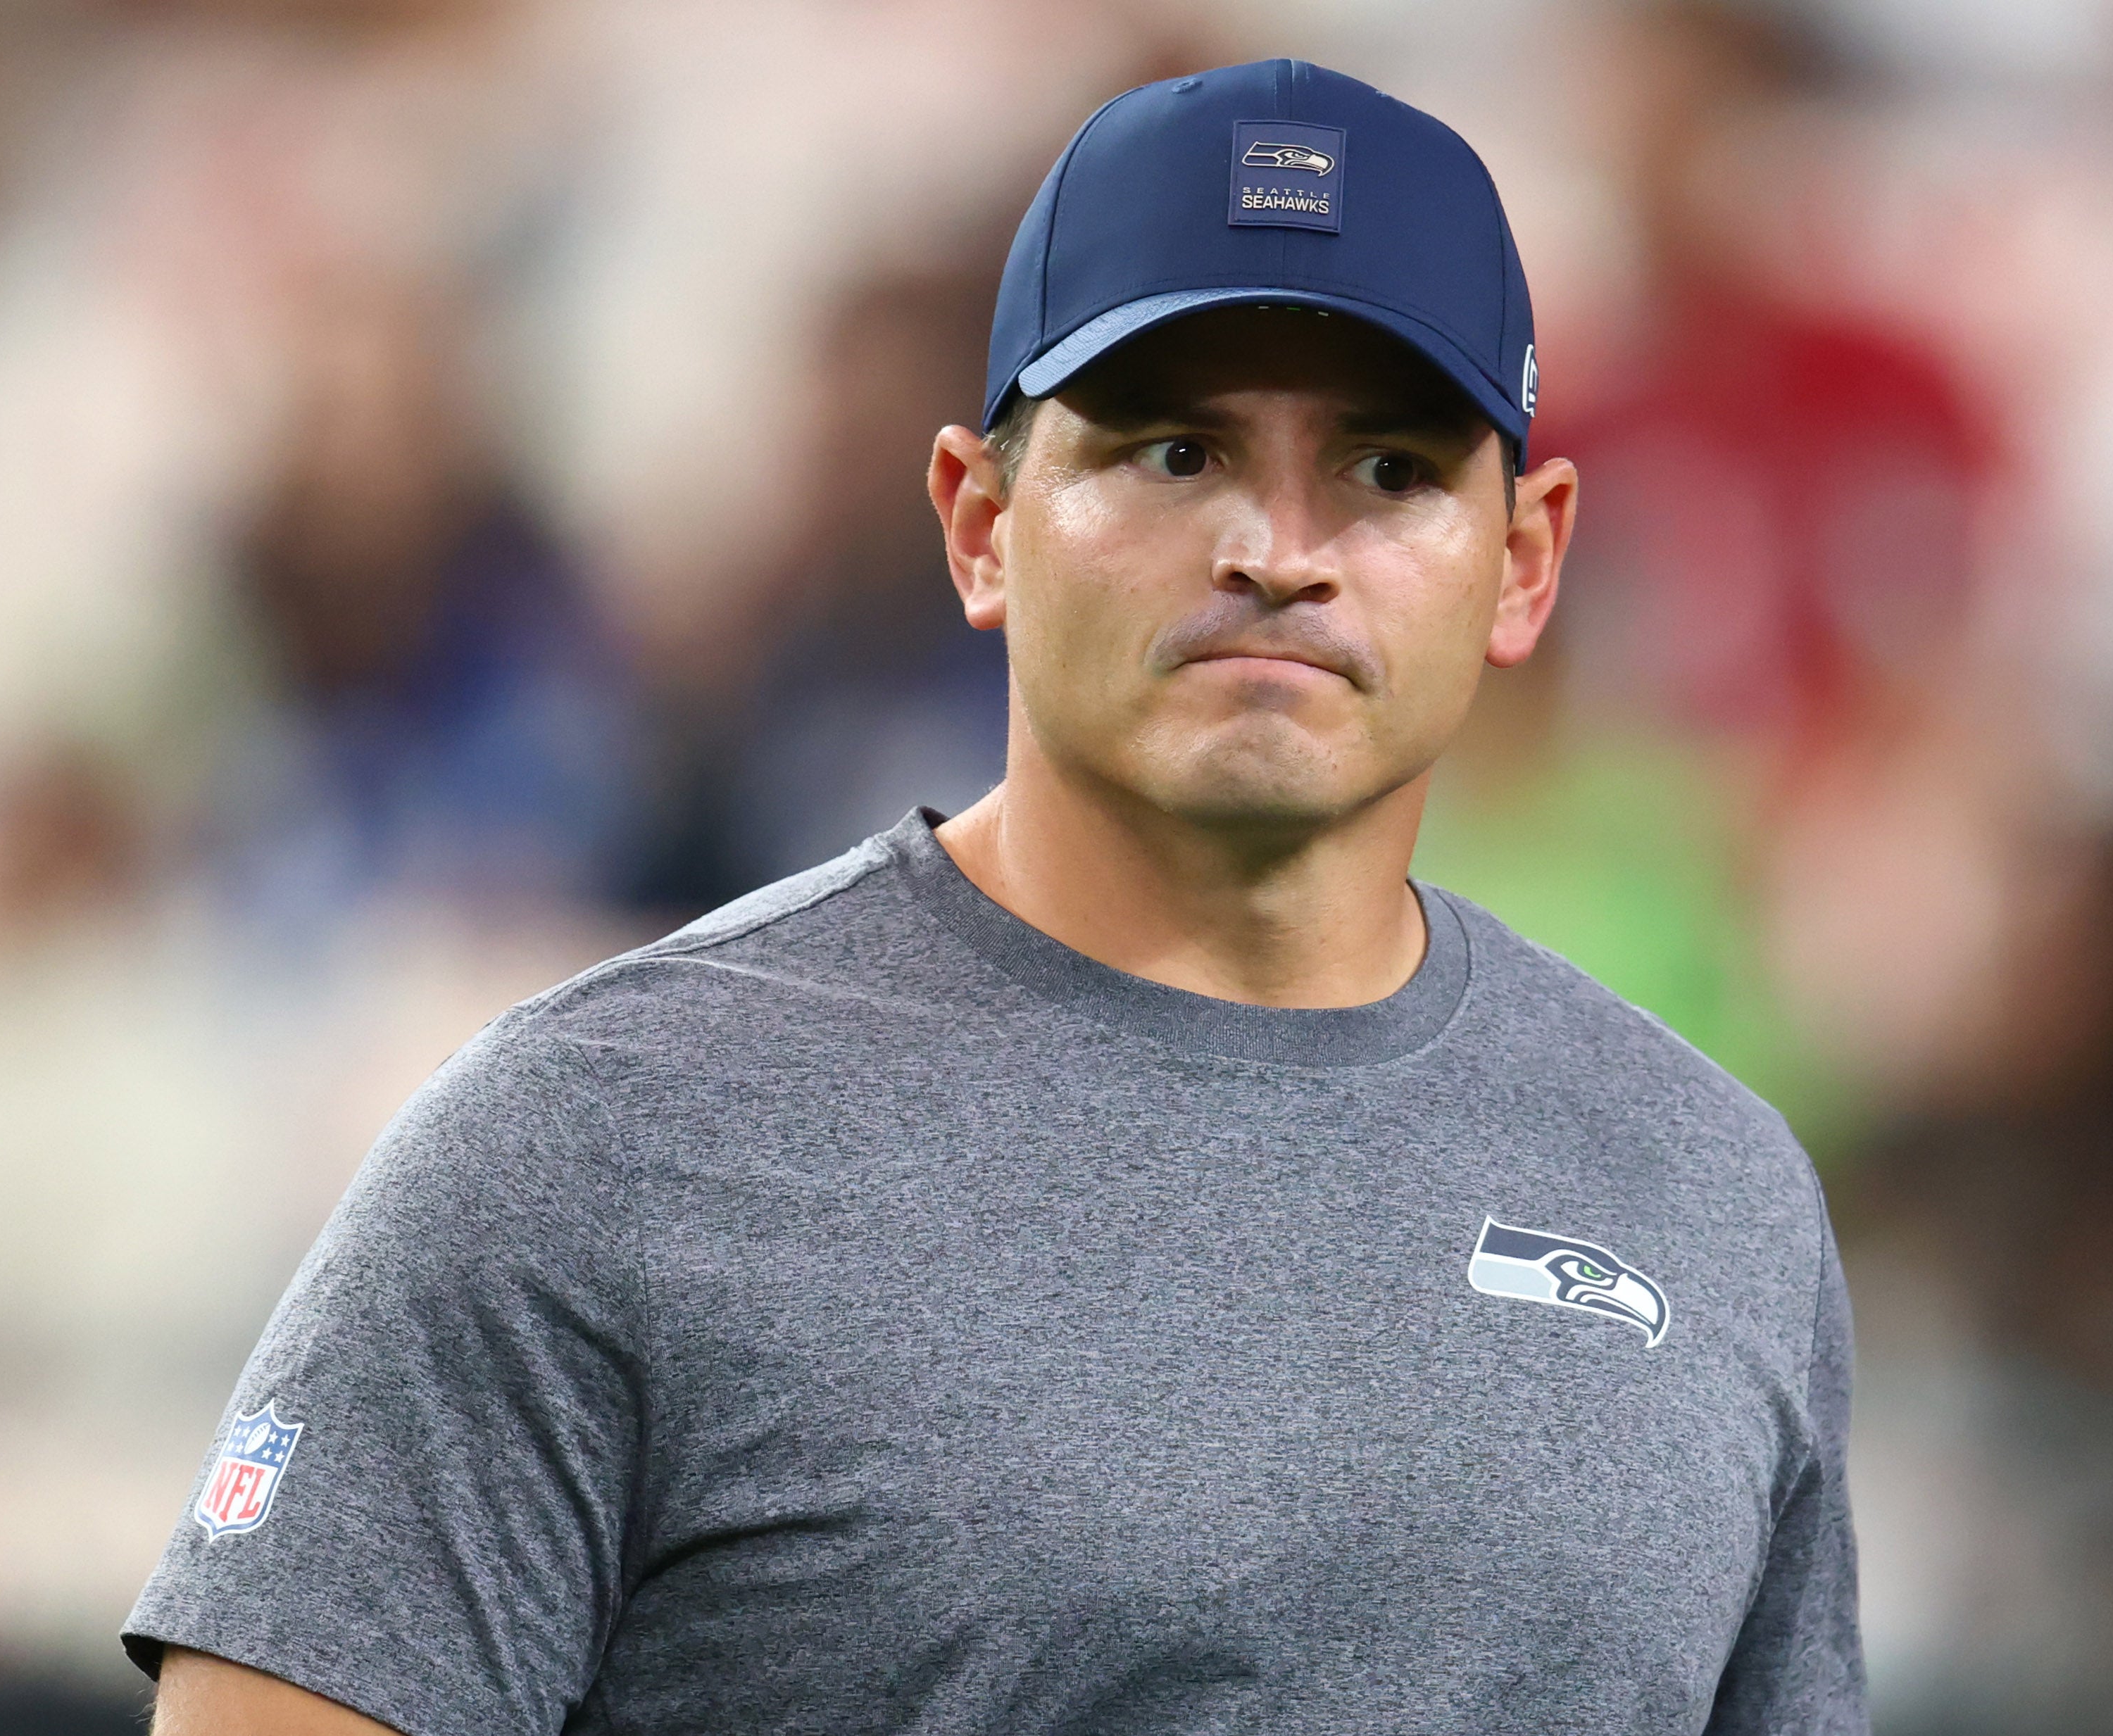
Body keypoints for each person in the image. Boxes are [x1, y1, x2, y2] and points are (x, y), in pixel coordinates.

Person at [127, 58, 1864, 1735]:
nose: (1277, 544)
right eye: (1174, 452)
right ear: (978, 522)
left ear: (1527, 558)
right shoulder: (597, 1141)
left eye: (1391, 468)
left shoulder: (1711, 1193)